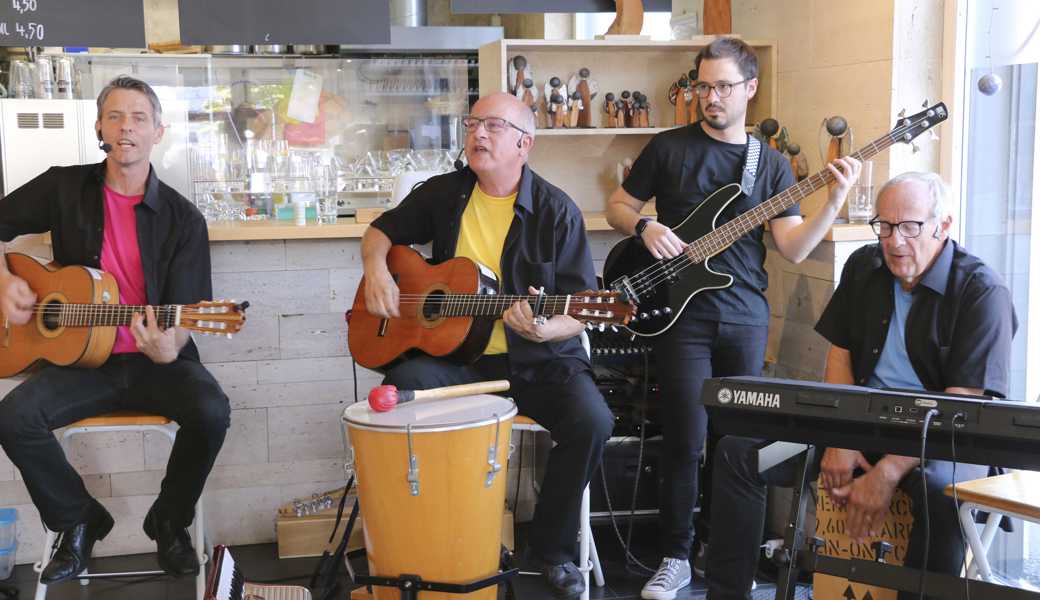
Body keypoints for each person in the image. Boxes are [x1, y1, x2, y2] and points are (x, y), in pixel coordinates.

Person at [605, 37, 861, 600]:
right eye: (703, 86)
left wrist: (833, 202)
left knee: (739, 445)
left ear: (750, 89)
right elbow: (617, 206)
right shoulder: (669, 147)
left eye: (722, 86)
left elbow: (792, 247)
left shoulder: (769, 165)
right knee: (685, 439)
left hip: (745, 315)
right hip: (682, 316)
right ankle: (674, 555)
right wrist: (643, 227)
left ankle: (729, 558)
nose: (710, 97)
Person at [704, 172, 1017, 600]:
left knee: (940, 491)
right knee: (738, 453)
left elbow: (960, 407)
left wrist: (887, 472)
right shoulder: (865, 265)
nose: (894, 241)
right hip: (859, 421)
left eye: (910, 227)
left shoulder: (983, 292)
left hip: (946, 437)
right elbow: (841, 354)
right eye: (884, 226)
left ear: (943, 226)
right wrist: (841, 438)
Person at [360, 91, 613, 599]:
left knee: (593, 421)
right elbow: (380, 232)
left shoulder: (557, 212)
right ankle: (426, 538)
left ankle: (555, 549)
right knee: (398, 396)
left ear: (525, 144)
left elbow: (579, 310)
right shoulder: (445, 194)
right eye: (473, 123)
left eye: (493, 126)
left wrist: (547, 327)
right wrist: (375, 273)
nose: (478, 133)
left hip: (541, 361)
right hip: (461, 361)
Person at [0, 76, 229, 584]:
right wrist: (3, 280)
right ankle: (76, 520)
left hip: (154, 364)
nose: (127, 128)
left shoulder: (183, 219)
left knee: (211, 409)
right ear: (99, 126)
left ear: (158, 132)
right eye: (117, 116)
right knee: (13, 417)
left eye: (139, 118)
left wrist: (170, 347)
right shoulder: (64, 186)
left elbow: (187, 315)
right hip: (83, 363)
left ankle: (169, 521)